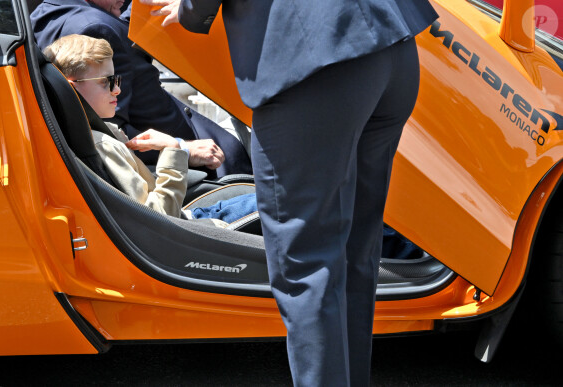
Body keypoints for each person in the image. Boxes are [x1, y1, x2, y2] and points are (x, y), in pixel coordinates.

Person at [141, 0, 439, 385]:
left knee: (307, 262)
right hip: (391, 43)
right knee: (353, 247)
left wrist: (191, 10)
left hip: (314, 62)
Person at [43, 34, 256, 224]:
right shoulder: (103, 144)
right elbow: (159, 221)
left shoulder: (100, 135)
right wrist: (174, 151)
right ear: (71, 88)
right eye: (105, 82)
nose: (117, 90)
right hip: (193, 228)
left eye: (116, 80)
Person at [31, 0, 252, 177]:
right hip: (199, 162)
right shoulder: (97, 29)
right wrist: (182, 149)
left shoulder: (44, 14)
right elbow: (110, 130)